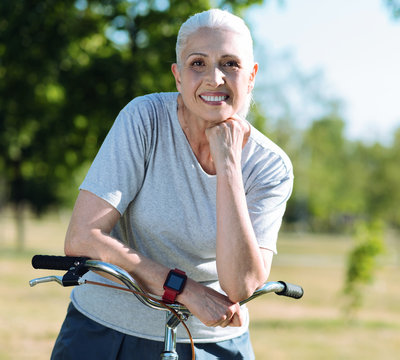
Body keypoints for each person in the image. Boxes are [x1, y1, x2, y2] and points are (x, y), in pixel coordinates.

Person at [50, 8, 293, 360]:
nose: (214, 78)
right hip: (104, 331)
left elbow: (241, 285)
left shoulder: (271, 166)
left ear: (251, 76)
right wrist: (182, 288)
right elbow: (82, 237)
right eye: (198, 63)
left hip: (212, 341)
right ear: (178, 76)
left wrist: (227, 162)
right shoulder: (144, 119)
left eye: (230, 64)